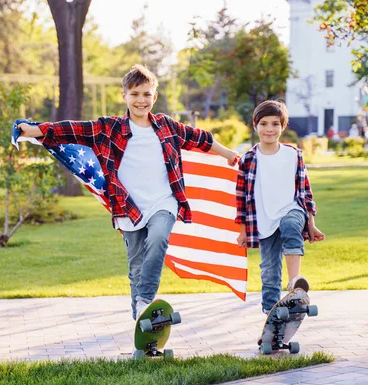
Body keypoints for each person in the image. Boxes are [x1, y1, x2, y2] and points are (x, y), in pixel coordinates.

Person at [17, 64, 239, 321]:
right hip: (128, 206)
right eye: (135, 94)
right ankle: (142, 325)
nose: (141, 100)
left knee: (158, 239)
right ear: (124, 96)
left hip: (163, 202)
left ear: (154, 97)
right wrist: (32, 130)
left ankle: (145, 299)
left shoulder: (167, 127)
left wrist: (228, 154)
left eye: (146, 94)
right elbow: (70, 129)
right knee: (135, 267)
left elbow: (200, 137)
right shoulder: (108, 128)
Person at [235, 100, 325, 316]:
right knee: (269, 271)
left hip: (291, 210)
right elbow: (241, 198)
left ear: (283, 127)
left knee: (291, 225)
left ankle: (295, 282)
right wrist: (243, 230)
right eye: (264, 123)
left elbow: (305, 192)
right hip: (263, 220)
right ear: (255, 125)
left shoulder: (293, 155)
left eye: (275, 124)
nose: (269, 129)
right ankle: (271, 314)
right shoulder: (248, 160)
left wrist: (311, 224)